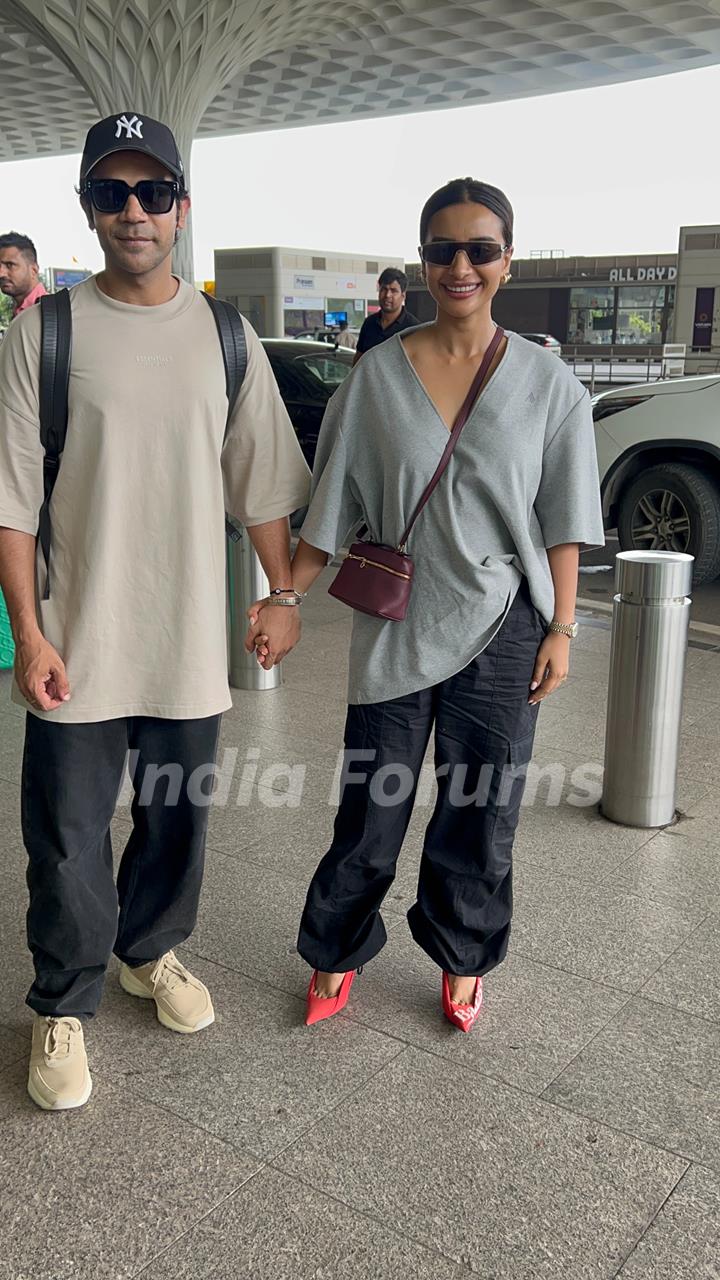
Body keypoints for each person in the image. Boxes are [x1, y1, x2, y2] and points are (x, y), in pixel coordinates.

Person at [0, 111, 310, 1111]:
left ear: (182, 206)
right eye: (110, 193)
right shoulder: (42, 331)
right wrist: (32, 634)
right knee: (68, 834)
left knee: (178, 819)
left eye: (152, 192)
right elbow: (8, 502)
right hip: (75, 640)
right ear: (87, 210)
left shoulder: (224, 334)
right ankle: (65, 999)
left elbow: (260, 479)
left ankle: (150, 950)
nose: (133, 212)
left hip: (186, 641)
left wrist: (284, 590)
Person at [248, 176, 604, 1032]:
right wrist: (285, 595)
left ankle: (463, 955)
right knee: (373, 804)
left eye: (480, 249)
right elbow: (331, 502)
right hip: (396, 626)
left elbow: (563, 518)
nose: (461, 265)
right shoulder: (375, 377)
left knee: (481, 810)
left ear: (507, 262)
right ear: (422, 259)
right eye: (443, 248)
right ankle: (335, 946)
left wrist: (562, 623)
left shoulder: (549, 386)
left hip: (506, 626)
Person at [354, 267, 418, 362]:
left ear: (403, 295)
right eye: (384, 289)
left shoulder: (413, 328)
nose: (387, 295)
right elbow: (359, 358)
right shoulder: (369, 323)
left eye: (393, 291)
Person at [0, 233, 48, 318]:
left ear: (33, 270)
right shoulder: (18, 311)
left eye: (10, 265)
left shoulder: (52, 312)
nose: (1, 274)